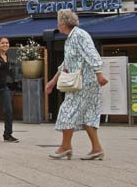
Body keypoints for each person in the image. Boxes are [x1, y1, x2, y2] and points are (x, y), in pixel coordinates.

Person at [45, 9, 108, 160]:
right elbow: (66, 63)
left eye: (58, 22)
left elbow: (92, 53)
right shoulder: (71, 38)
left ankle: (65, 147)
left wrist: (99, 73)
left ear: (63, 23)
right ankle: (96, 148)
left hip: (85, 82)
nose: (58, 25)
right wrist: (53, 81)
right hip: (84, 82)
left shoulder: (79, 35)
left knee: (67, 110)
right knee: (87, 115)